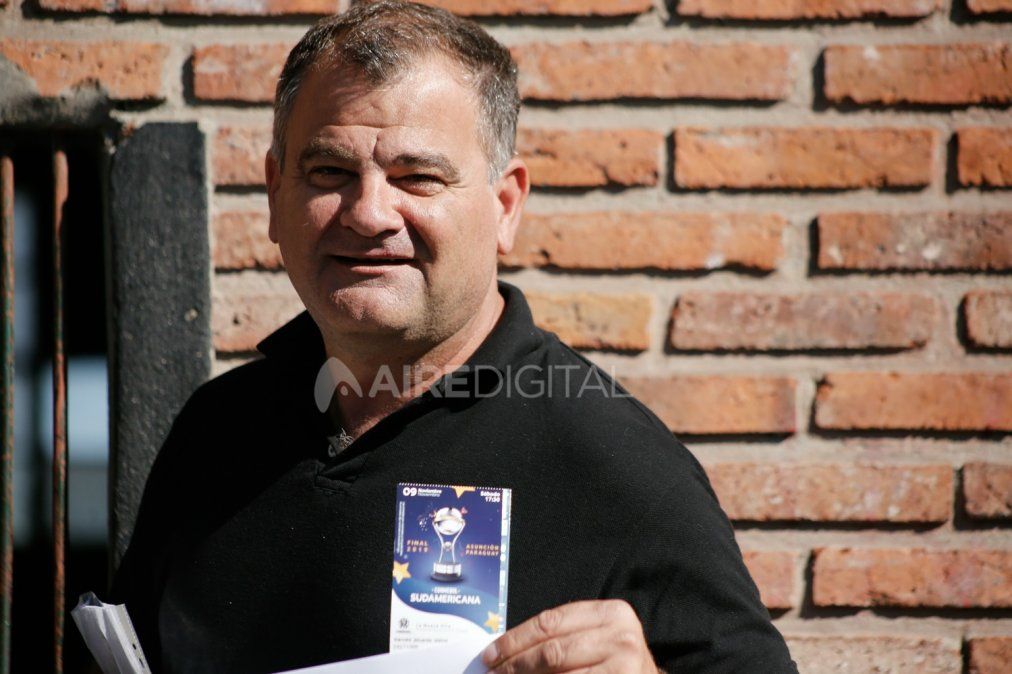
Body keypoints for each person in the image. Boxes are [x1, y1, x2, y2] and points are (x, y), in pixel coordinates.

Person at [111, 2, 797, 672]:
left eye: (418, 178)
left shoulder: (612, 463)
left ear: (505, 206)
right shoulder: (216, 429)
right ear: (274, 192)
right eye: (330, 172)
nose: (369, 213)